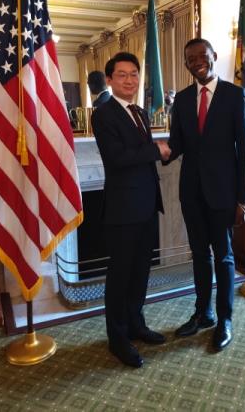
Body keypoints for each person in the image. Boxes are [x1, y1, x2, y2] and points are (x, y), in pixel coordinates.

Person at [167, 38, 245, 352]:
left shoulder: (235, 95)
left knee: (224, 256)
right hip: (191, 192)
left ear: (214, 56)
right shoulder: (182, 99)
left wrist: (244, 199)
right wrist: (148, 149)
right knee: (200, 255)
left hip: (223, 193)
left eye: (202, 56)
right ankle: (203, 313)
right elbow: (176, 144)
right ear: (186, 64)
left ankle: (224, 320)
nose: (197, 62)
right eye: (191, 59)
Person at [91, 52, 170, 368]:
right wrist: (155, 150)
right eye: (121, 74)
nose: (129, 80)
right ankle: (118, 338)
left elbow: (143, 157)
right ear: (110, 79)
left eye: (134, 74)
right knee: (120, 276)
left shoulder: (139, 112)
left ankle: (136, 324)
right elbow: (117, 158)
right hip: (123, 210)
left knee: (140, 272)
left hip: (148, 205)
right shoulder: (103, 114)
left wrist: (162, 152)